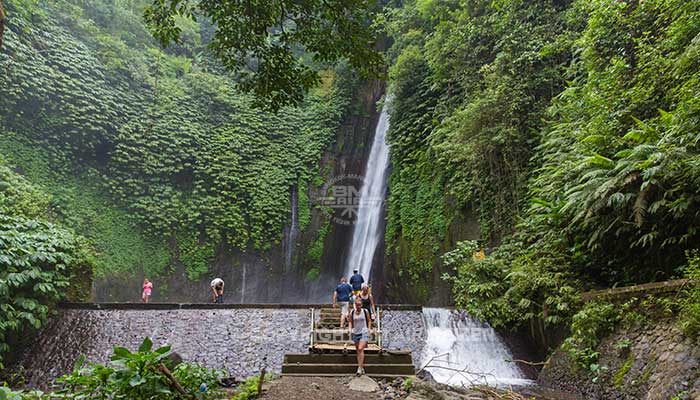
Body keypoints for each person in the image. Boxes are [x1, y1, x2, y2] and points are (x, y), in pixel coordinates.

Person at [348, 296, 371, 376]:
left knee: (361, 348)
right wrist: (350, 329)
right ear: (355, 304)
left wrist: (369, 329)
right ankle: (361, 367)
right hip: (356, 333)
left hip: (364, 332)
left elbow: (369, 320)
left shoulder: (365, 311)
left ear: (362, 305)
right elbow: (350, 322)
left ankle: (359, 369)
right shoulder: (352, 312)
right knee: (358, 351)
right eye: (357, 305)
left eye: (360, 305)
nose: (358, 306)